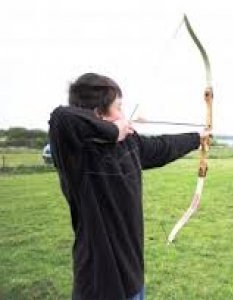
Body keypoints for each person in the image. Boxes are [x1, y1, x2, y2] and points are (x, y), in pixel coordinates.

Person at [48, 73, 210, 300]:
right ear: (98, 113)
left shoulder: (129, 143)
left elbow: (162, 147)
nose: (124, 115)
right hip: (99, 284)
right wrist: (114, 130)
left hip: (133, 276)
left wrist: (197, 138)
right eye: (118, 107)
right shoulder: (76, 153)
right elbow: (60, 117)